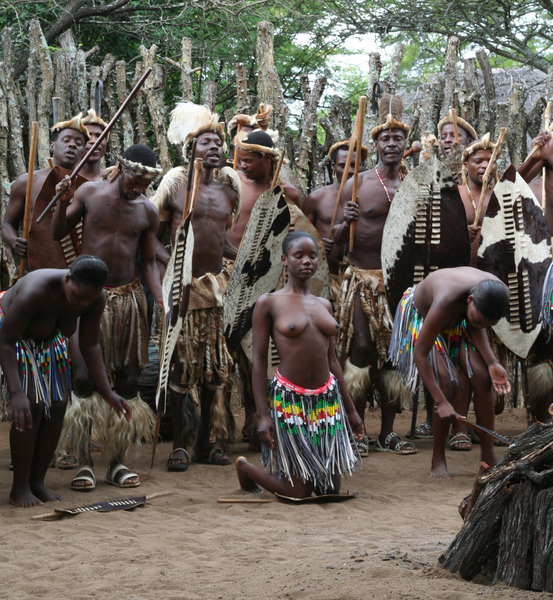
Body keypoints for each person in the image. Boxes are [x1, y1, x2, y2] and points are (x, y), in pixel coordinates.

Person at [50, 144, 163, 490]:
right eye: (134, 179)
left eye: (145, 184)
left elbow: (146, 263)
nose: (138, 188)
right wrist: (60, 200)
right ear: (120, 167)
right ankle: (84, 463)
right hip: (87, 300)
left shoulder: (147, 211)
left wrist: (159, 300)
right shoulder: (89, 192)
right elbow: (56, 232)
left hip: (128, 301)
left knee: (129, 380)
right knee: (83, 379)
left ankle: (117, 461)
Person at [235, 231, 364, 497]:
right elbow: (258, 362)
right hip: (289, 401)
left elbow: (333, 363)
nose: (307, 261)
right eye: (299, 256)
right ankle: (246, 468)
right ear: (284, 259)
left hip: (326, 402)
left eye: (313, 256)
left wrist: (350, 411)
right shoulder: (268, 303)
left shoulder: (324, 304)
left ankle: (299, 473)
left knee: (330, 489)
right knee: (298, 493)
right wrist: (263, 416)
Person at [0, 256, 131, 506]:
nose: (83, 303)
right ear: (68, 279)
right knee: (32, 405)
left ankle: (37, 482)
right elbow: (5, 340)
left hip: (50, 342)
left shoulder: (95, 298)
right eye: (79, 297)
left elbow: (90, 344)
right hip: (13, 340)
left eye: (89, 299)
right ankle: (19, 487)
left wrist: (107, 392)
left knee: (59, 405)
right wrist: (16, 392)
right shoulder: (36, 290)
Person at [154, 102, 240, 469]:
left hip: (215, 289)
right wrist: (171, 271)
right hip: (181, 288)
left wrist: (246, 259)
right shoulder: (174, 187)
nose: (215, 148)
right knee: (179, 368)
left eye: (218, 144)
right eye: (206, 143)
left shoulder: (227, 192)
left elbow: (220, 240)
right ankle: (180, 445)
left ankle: (206, 443)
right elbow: (155, 240)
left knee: (214, 370)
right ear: (190, 150)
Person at [332, 93, 414, 457]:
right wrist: (342, 224)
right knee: (362, 350)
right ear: (375, 143)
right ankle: (357, 429)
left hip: (400, 284)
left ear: (405, 144)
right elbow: (333, 247)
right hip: (363, 278)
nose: (391, 143)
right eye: (385, 138)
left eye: (398, 138)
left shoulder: (415, 186)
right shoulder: (357, 184)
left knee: (395, 357)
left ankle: (388, 433)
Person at [389, 267, 511, 478]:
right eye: (480, 320)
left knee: (483, 378)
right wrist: (440, 400)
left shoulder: (494, 293)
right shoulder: (446, 300)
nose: (481, 325)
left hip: (459, 318)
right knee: (449, 385)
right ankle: (437, 459)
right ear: (470, 299)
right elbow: (421, 354)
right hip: (423, 315)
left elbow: (476, 325)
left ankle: (489, 454)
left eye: (486, 324)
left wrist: (492, 363)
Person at [1, 113, 89, 261]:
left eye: (78, 143)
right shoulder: (27, 182)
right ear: (52, 146)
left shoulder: (88, 187)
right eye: (66, 140)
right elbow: (7, 224)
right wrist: (14, 241)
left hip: (75, 270)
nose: (72, 145)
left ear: (83, 153)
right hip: (36, 267)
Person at [303, 140, 368, 304]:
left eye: (356, 165)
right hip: (326, 278)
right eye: (343, 165)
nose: (350, 171)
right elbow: (299, 238)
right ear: (332, 165)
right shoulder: (317, 199)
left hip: (360, 280)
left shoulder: (373, 198)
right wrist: (316, 245)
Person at [226, 130, 301, 255]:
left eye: (248, 161)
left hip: (265, 269)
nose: (242, 166)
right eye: (241, 160)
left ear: (266, 158)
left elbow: (295, 234)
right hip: (228, 264)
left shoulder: (289, 193)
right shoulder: (233, 181)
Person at [80, 109, 109, 181]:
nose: (93, 141)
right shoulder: (65, 181)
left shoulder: (112, 181)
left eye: (99, 136)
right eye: (88, 136)